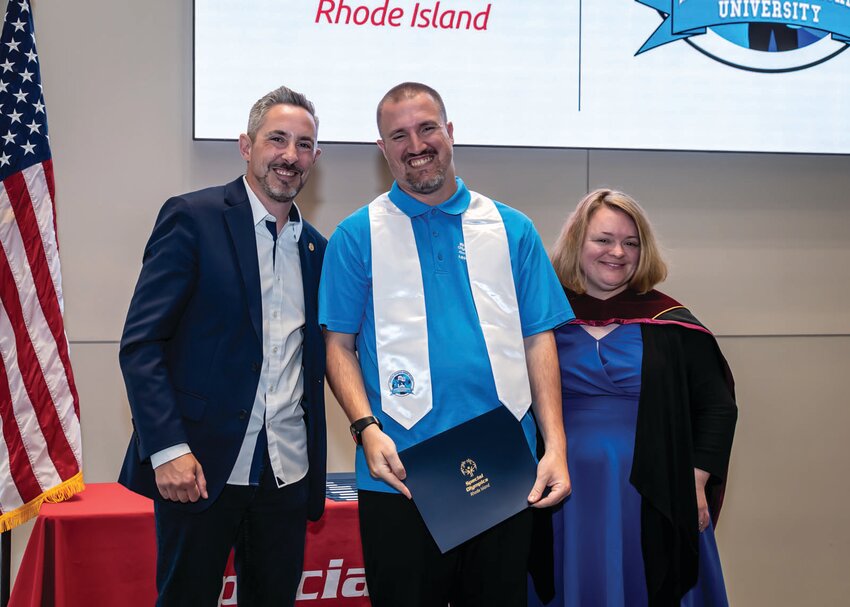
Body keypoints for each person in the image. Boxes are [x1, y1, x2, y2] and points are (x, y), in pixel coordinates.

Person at [319, 82, 574, 606]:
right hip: (402, 474)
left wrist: (556, 448)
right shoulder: (356, 234)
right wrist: (366, 429)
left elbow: (538, 339)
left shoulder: (511, 229)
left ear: (450, 132)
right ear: (382, 148)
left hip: (504, 468)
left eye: (427, 127)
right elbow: (337, 347)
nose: (416, 144)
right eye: (399, 135)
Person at [118, 85, 327, 606]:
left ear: (315, 159)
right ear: (246, 145)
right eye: (277, 139)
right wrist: (167, 448)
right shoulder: (193, 218)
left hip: (286, 474)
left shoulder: (317, 249)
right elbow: (142, 344)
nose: (290, 155)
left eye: (304, 145)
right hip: (198, 469)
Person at [529, 189, 737, 606]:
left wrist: (694, 483)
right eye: (604, 240)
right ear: (577, 244)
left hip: (656, 488)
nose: (618, 252)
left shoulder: (670, 322)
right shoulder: (542, 320)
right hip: (564, 490)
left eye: (631, 242)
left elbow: (716, 405)